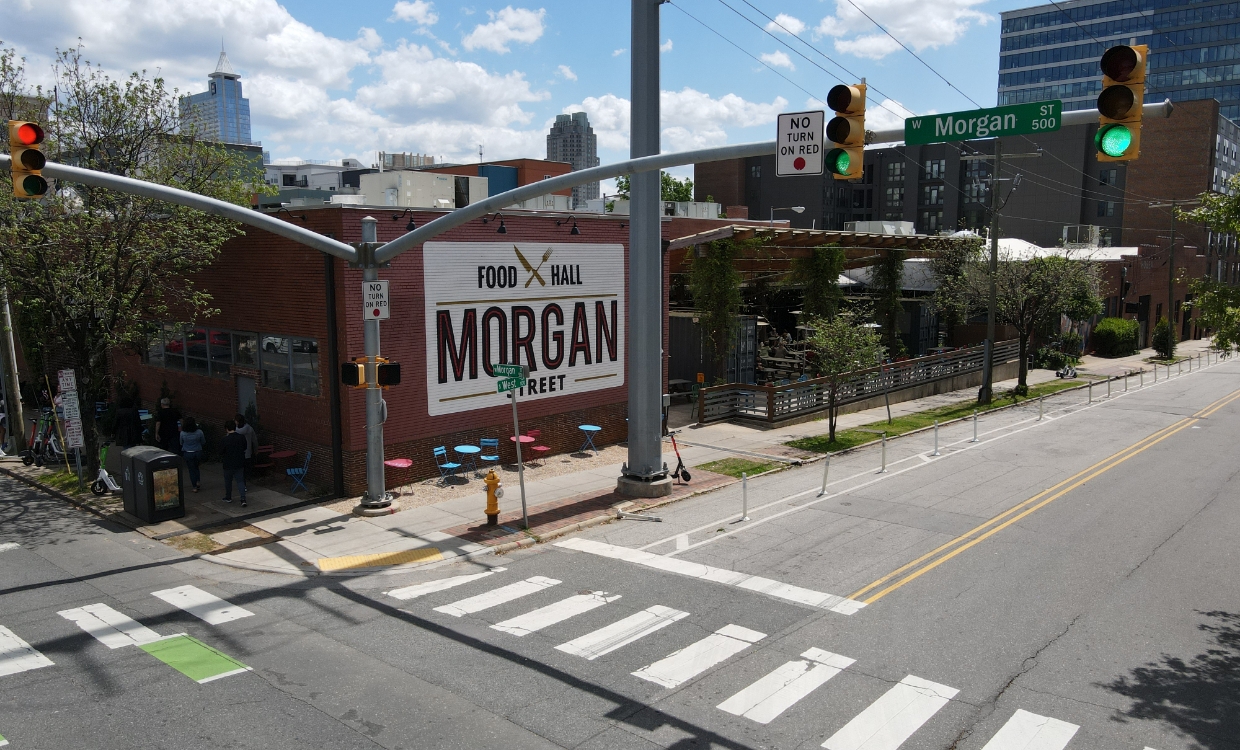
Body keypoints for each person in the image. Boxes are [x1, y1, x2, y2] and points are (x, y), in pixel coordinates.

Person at [220, 420, 247, 506]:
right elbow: (245, 447)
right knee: (240, 481)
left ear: (227, 429)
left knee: (228, 481)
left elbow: (220, 451)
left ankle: (228, 497)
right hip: (239, 462)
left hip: (228, 464)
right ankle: (243, 499)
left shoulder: (225, 439)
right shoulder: (241, 437)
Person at [179, 416, 206, 492]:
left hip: (188, 453)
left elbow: (181, 443)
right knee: (196, 467)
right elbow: (203, 441)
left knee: (191, 469)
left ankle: (194, 486)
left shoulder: (183, 433)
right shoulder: (199, 432)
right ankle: (198, 481)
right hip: (198, 452)